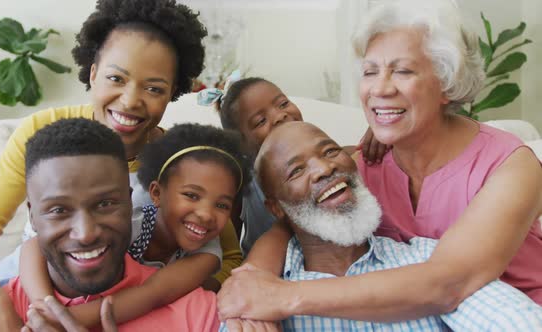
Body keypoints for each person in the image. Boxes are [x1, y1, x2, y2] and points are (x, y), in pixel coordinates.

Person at [217, 0, 542, 323]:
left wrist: (281, 297)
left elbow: (448, 284)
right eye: (370, 71)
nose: (380, 88)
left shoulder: (512, 165)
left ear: (446, 82)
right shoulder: (360, 164)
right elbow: (291, 220)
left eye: (402, 71)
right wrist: (252, 281)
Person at [0, 0, 241, 330]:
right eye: (116, 78)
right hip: (25, 294)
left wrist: (161, 305)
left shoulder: (180, 159)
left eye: (154, 88)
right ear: (92, 73)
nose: (131, 100)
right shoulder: (45, 135)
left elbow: (227, 254)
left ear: (173, 92)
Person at [221, 121, 542, 331]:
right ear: (277, 207)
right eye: (296, 171)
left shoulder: (430, 260)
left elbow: (514, 322)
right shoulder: (253, 296)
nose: (324, 168)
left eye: (330, 151)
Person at [0, 119, 220, 332]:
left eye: (105, 204)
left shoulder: (199, 313)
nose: (86, 233)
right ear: (33, 217)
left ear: (129, 203)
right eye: (59, 210)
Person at [23, 123, 250, 326]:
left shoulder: (207, 255)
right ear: (156, 193)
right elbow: (33, 246)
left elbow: (154, 294)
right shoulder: (127, 222)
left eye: (222, 205)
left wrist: (66, 320)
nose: (206, 214)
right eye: (191, 195)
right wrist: (43, 307)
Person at [199, 74, 389, 255]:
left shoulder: (328, 162)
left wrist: (380, 134)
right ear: (241, 145)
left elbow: (356, 154)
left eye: (283, 104)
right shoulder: (240, 181)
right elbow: (228, 242)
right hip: (273, 269)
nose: (280, 116)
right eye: (260, 121)